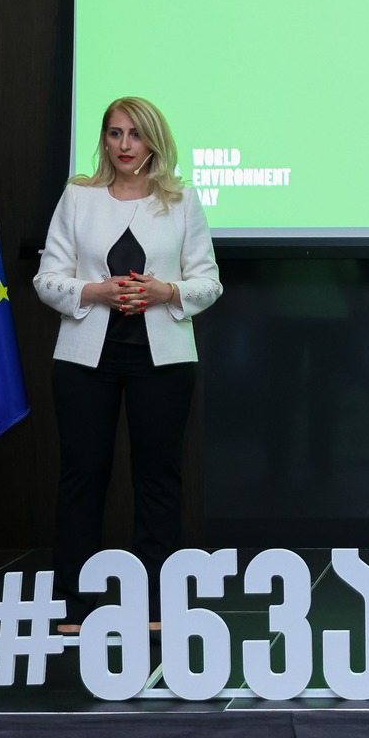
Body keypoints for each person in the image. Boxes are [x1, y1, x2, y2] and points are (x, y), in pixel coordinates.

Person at [34, 96, 220, 629]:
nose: (124, 145)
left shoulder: (182, 200)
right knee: (82, 477)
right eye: (115, 134)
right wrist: (95, 291)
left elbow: (209, 281)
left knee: (158, 479)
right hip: (84, 359)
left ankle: (156, 605)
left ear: (154, 141)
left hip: (163, 360)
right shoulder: (78, 196)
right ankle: (74, 604)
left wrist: (167, 291)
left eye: (135, 134)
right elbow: (47, 279)